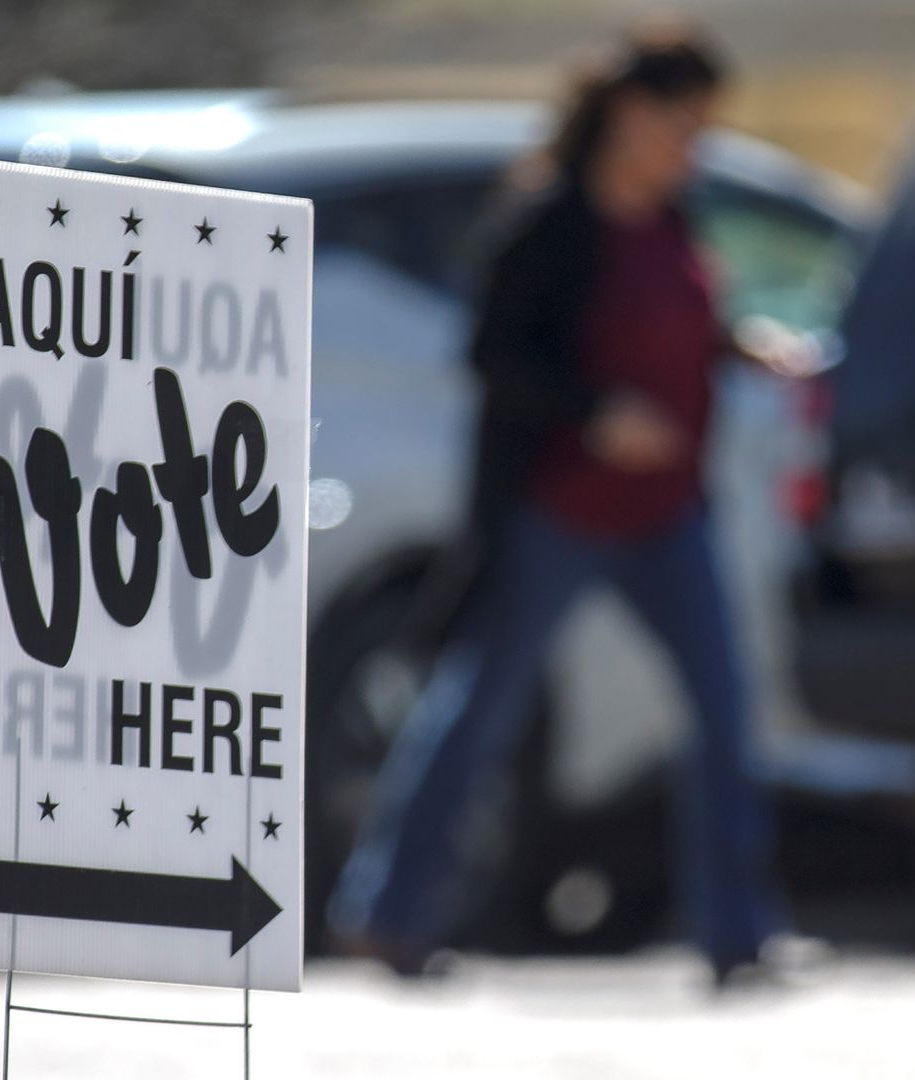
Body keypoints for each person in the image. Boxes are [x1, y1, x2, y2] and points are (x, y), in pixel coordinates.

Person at [325, 22, 810, 985]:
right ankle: (391, 914)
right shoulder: (551, 223)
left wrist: (734, 345)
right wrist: (594, 414)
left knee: (723, 708)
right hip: (558, 511)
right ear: (628, 113)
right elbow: (496, 355)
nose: (691, 144)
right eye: (681, 122)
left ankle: (738, 934)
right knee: (477, 709)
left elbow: (671, 321)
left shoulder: (672, 217)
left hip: (666, 513)